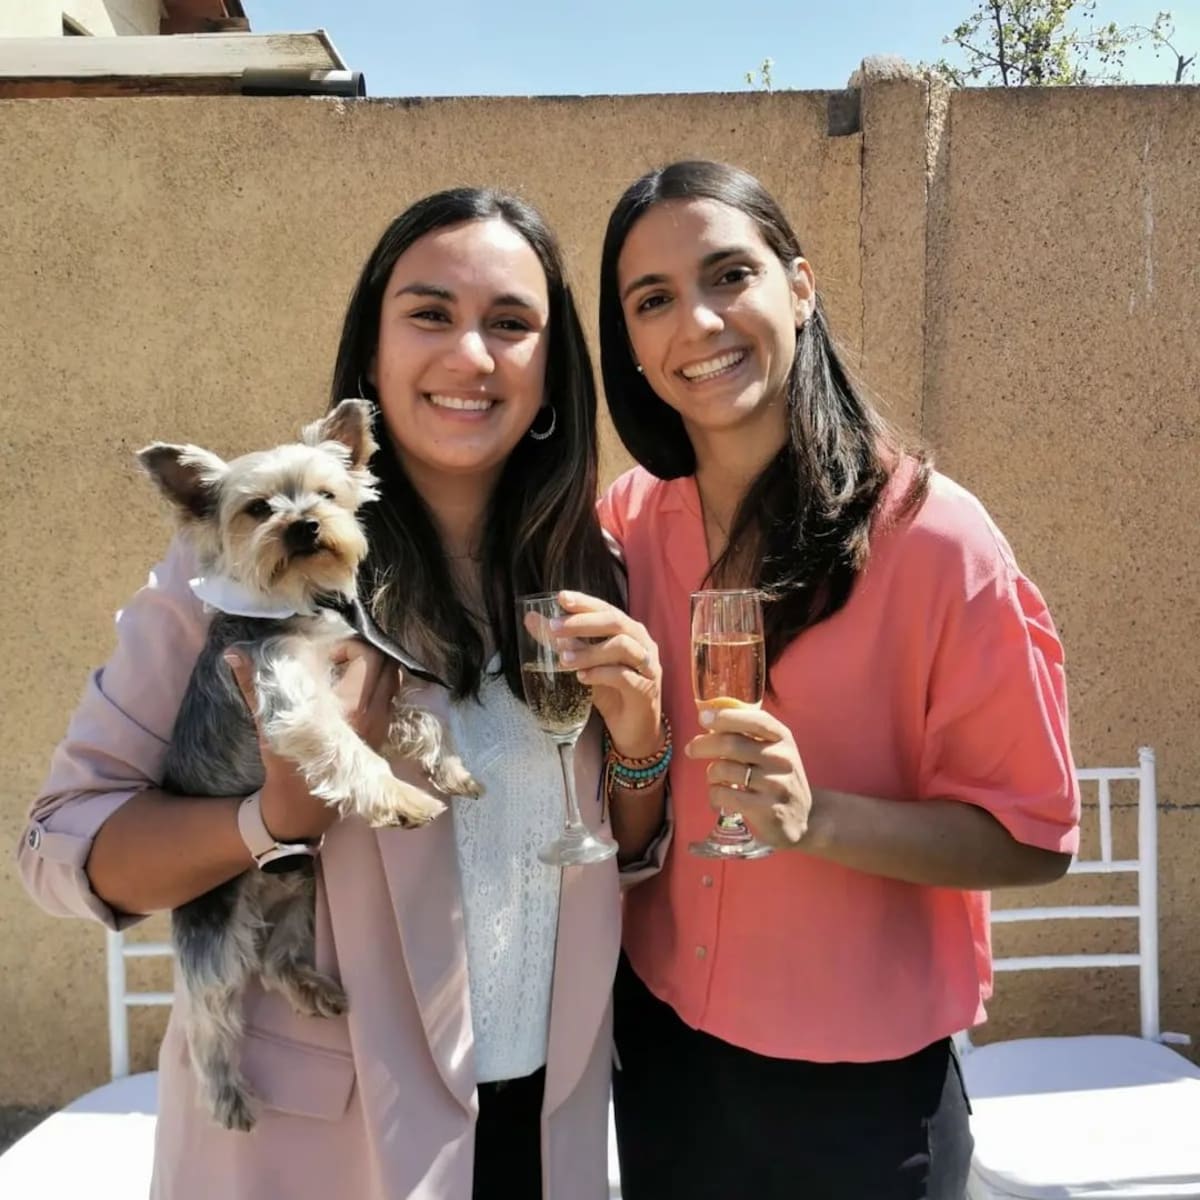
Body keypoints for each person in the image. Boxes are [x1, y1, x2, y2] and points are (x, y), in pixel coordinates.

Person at [18, 187, 668, 1200]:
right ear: (371, 352)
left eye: (510, 323)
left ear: (552, 372)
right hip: (320, 1146)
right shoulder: (239, 577)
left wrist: (641, 746)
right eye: (429, 313)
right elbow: (59, 849)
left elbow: (614, 853)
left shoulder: (598, 565)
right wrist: (268, 817)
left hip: (544, 1124)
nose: (469, 355)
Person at [595, 160, 1081, 1200]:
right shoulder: (627, 523)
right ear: (629, 343)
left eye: (730, 274)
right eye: (653, 299)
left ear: (800, 288)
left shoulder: (938, 540)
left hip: (865, 1108)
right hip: (664, 1055)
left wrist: (819, 820)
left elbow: (1036, 838)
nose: (698, 321)